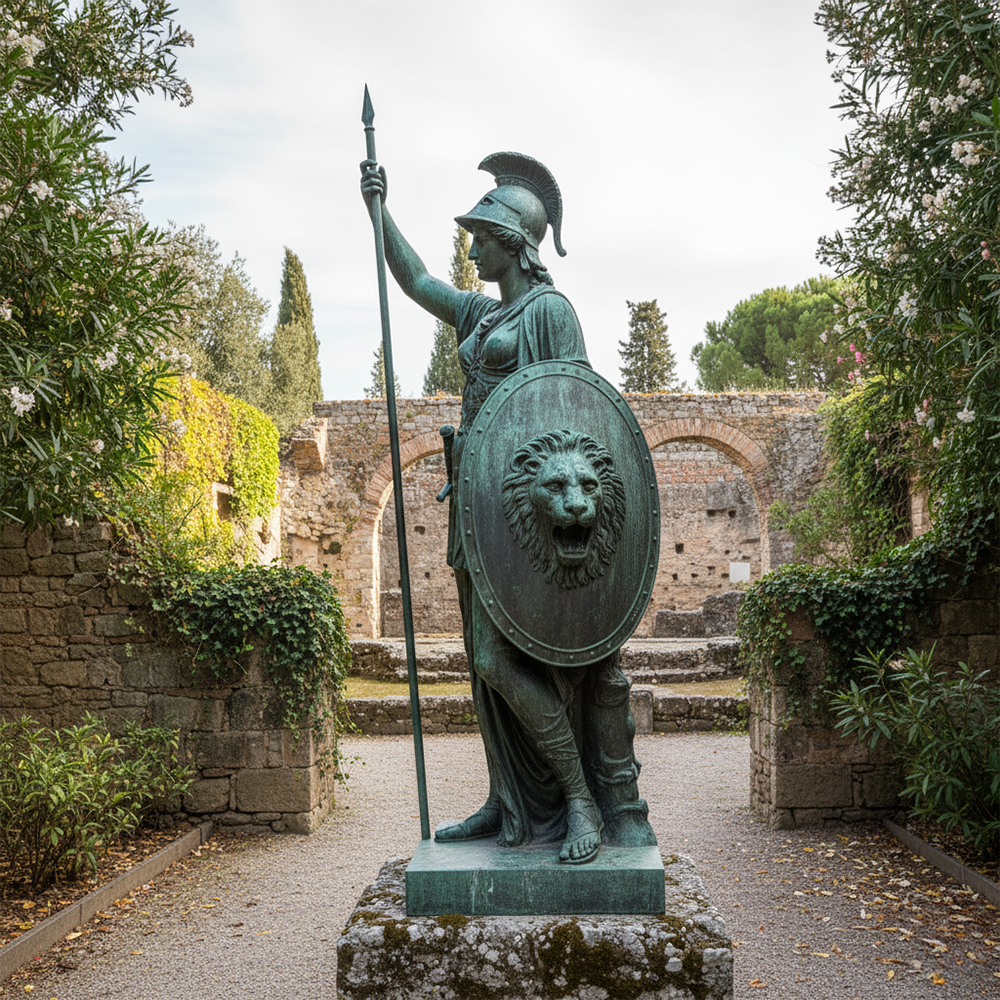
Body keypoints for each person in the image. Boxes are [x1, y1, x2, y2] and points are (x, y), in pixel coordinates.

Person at [360, 153, 653, 864]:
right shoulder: (484, 311)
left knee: (504, 656)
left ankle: (581, 801)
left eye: (482, 235)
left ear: (514, 242)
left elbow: (579, 419)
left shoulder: (549, 313)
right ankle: (509, 800)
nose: (471, 248)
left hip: (539, 520)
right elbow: (419, 281)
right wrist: (378, 213)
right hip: (478, 511)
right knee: (482, 662)